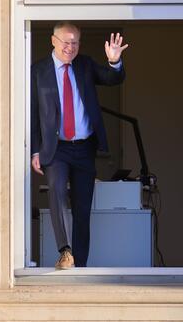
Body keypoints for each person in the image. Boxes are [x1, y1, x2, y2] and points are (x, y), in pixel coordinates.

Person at [30, 21, 129, 269]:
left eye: (75, 43)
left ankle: (80, 265)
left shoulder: (84, 65)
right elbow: (32, 114)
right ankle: (65, 252)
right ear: (53, 41)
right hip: (56, 147)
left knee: (82, 208)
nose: (70, 47)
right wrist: (35, 150)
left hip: (84, 148)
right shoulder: (38, 71)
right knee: (56, 191)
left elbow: (112, 78)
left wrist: (114, 61)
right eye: (66, 42)